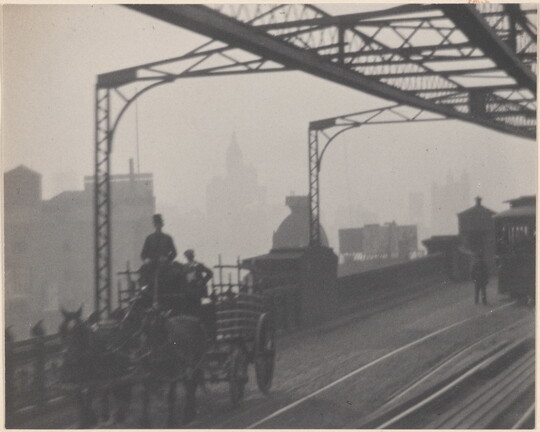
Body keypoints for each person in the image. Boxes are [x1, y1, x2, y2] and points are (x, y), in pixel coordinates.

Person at [139, 214, 177, 290]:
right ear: (154, 225)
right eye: (156, 224)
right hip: (152, 263)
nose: (158, 226)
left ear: (162, 225)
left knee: (174, 273)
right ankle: (144, 289)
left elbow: (174, 252)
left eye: (159, 224)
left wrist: (167, 258)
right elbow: (143, 254)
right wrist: (146, 260)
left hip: (164, 264)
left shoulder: (167, 238)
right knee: (143, 269)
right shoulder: (149, 238)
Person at [183, 249, 213, 316]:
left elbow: (210, 273)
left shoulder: (198, 265)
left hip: (198, 290)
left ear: (193, 256)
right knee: (189, 308)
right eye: (187, 256)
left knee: (199, 307)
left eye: (190, 255)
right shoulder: (184, 267)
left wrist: (202, 281)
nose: (189, 257)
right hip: (188, 290)